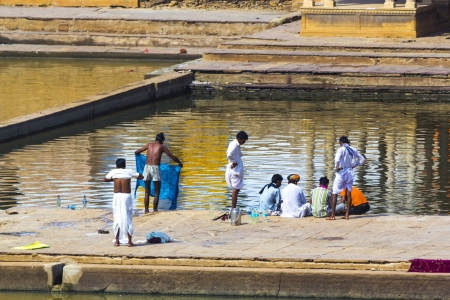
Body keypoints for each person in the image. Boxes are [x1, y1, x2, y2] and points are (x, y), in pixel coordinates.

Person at [135, 132, 183, 213]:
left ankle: (146, 210)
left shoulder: (149, 145)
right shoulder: (162, 147)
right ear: (162, 141)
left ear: (155, 139)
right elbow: (172, 156)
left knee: (147, 191)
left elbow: (137, 152)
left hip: (146, 168)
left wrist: (141, 157)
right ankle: (155, 210)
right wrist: (179, 163)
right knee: (157, 192)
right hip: (155, 168)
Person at [103, 158, 143, 247]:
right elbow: (141, 176)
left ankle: (117, 241)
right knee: (128, 218)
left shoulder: (113, 172)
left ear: (116, 166)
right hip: (126, 196)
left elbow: (104, 179)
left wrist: (114, 179)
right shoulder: (129, 171)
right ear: (125, 165)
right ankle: (129, 242)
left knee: (117, 218)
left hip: (117, 196)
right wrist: (132, 175)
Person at [327, 136, 365, 221]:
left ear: (341, 143)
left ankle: (333, 215)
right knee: (348, 192)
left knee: (335, 192)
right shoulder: (354, 149)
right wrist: (354, 165)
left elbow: (337, 160)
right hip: (350, 172)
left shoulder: (341, 149)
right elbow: (362, 160)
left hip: (342, 172)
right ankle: (347, 214)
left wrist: (337, 167)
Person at [225, 131, 249, 209]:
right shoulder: (234, 145)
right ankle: (233, 208)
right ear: (239, 139)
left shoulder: (235, 144)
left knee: (236, 189)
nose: (244, 142)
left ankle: (233, 208)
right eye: (244, 140)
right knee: (236, 189)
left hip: (235, 169)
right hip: (235, 170)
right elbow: (229, 154)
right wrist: (234, 162)